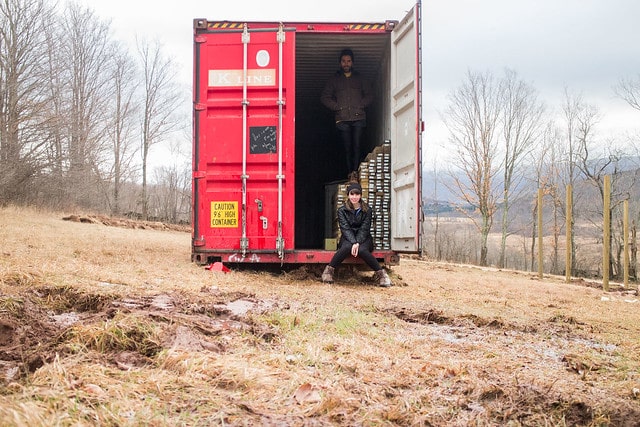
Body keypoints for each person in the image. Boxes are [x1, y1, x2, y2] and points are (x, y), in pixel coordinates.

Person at [321, 182, 392, 287]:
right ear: (348, 195)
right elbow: (345, 228)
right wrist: (354, 242)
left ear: (360, 195)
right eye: (352, 194)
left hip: (364, 238)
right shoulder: (342, 210)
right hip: (347, 237)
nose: (354, 197)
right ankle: (328, 272)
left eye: (357, 194)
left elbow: (364, 228)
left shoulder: (367, 210)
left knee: (362, 250)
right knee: (346, 247)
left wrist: (357, 242)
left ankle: (382, 275)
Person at [321, 48, 374, 178]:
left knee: (357, 145)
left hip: (358, 117)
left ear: (353, 63)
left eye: (348, 61)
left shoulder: (360, 78)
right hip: (342, 119)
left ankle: (356, 171)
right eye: (344, 61)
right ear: (340, 63)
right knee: (346, 147)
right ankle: (349, 172)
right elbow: (324, 97)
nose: (346, 64)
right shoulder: (334, 79)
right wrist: (337, 107)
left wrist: (361, 105)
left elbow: (370, 95)